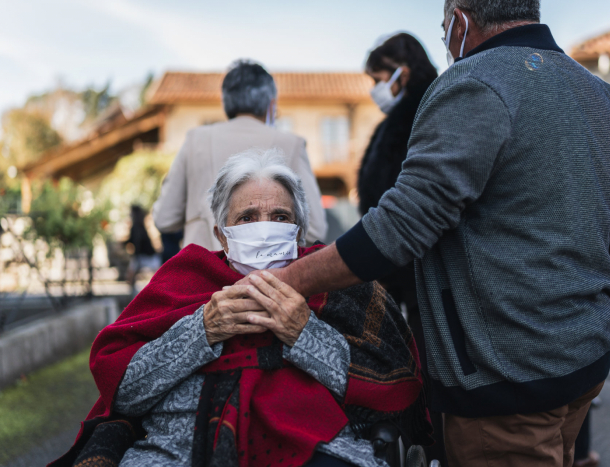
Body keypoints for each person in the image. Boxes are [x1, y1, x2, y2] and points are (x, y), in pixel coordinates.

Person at [244, 1, 610, 466]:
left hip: (506, 377)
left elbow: (401, 226)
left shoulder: (474, 84)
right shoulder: (604, 97)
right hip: (584, 357)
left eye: (445, 24)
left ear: (461, 20)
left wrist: (283, 282)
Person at [50, 149, 430, 467]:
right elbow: (127, 391)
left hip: (317, 445)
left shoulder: (339, 285)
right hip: (179, 447)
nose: (264, 228)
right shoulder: (186, 278)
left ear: (299, 231)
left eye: (280, 217)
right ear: (222, 235)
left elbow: (390, 389)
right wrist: (203, 329)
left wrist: (305, 333)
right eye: (247, 218)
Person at [358, 32, 445, 465]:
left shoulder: (428, 112)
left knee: (426, 362)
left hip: (416, 270)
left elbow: (410, 202)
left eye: (378, 77)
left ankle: (430, 442)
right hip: (398, 269)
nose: (374, 89)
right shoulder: (407, 115)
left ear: (401, 71)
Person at [153, 59, 327, 249]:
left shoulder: (196, 139)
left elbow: (164, 219)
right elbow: (315, 230)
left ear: (226, 102)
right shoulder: (292, 144)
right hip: (269, 273)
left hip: (204, 271)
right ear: (271, 105)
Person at [124, 205, 160, 291]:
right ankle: (132, 291)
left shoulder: (137, 227)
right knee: (131, 273)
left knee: (131, 273)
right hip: (146, 255)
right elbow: (132, 241)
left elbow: (137, 243)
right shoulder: (139, 226)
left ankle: (132, 292)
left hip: (145, 255)